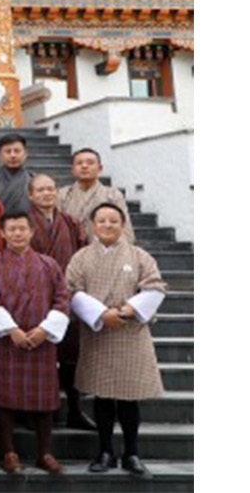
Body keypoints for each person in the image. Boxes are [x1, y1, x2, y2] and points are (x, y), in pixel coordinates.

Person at [66, 203, 167, 478]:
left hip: (129, 332)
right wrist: (100, 313)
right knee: (103, 396)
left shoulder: (138, 255)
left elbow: (155, 286)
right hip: (98, 332)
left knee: (129, 398)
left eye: (113, 220)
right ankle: (105, 450)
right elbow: (72, 290)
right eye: (102, 221)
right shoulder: (81, 257)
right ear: (93, 225)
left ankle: (132, 452)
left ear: (122, 224)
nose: (107, 225)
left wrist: (126, 310)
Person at [0, 211, 71, 475]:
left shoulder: (49, 264)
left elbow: (62, 298)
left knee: (44, 398)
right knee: (5, 396)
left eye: (22, 228)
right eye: (11, 229)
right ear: (2, 233)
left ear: (31, 231)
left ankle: (45, 452)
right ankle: (8, 452)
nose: (17, 234)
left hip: (42, 341)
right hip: (9, 340)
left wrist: (45, 330)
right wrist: (11, 329)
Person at [27, 173, 94, 430]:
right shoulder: (25, 223)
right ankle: (37, 411)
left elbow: (83, 256)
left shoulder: (71, 222)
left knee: (70, 356)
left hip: (65, 296)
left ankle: (75, 409)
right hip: (33, 297)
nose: (47, 194)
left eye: (51, 189)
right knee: (38, 356)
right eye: (41, 190)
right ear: (31, 195)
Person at [59, 148, 136, 244]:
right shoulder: (63, 195)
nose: (84, 166)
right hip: (70, 250)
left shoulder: (112, 195)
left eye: (90, 163)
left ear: (100, 169)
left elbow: (125, 230)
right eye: (79, 163)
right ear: (73, 170)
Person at [0, 134, 35, 214]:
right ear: (0, 155)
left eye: (17, 151)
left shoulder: (34, 180)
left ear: (25, 154)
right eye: (8, 151)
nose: (13, 155)